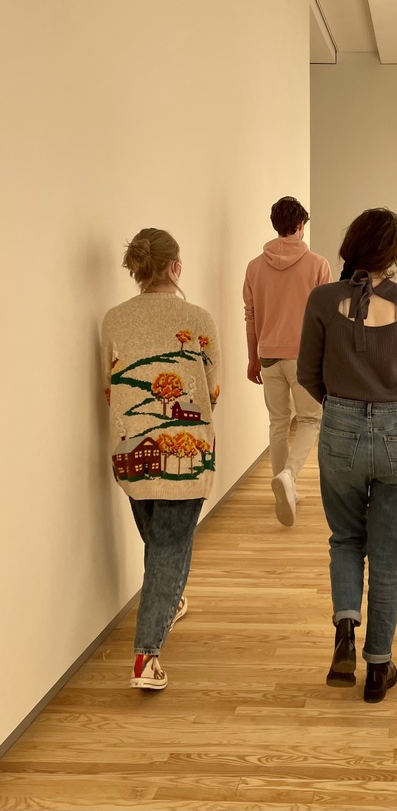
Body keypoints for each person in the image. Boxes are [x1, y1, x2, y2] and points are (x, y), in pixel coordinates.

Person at [298, 208, 397, 703]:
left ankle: (344, 632)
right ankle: (378, 667)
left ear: (350, 245)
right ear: (394, 252)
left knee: (346, 538)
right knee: (390, 553)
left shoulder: (321, 299)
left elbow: (308, 373)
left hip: (340, 426)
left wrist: (343, 402)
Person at [101, 228, 221, 690]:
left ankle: (170, 600)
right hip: (186, 453)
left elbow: (109, 386)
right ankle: (145, 656)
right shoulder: (199, 318)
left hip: (130, 451)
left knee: (160, 544)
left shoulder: (113, 319)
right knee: (170, 546)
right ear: (175, 267)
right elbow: (212, 389)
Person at [243, 196, 332, 526]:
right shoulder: (318, 264)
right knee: (310, 421)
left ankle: (285, 487)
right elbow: (326, 318)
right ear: (300, 225)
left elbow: (250, 316)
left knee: (278, 423)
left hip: (268, 355)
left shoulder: (254, 266)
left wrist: (253, 358)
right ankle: (290, 477)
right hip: (305, 358)